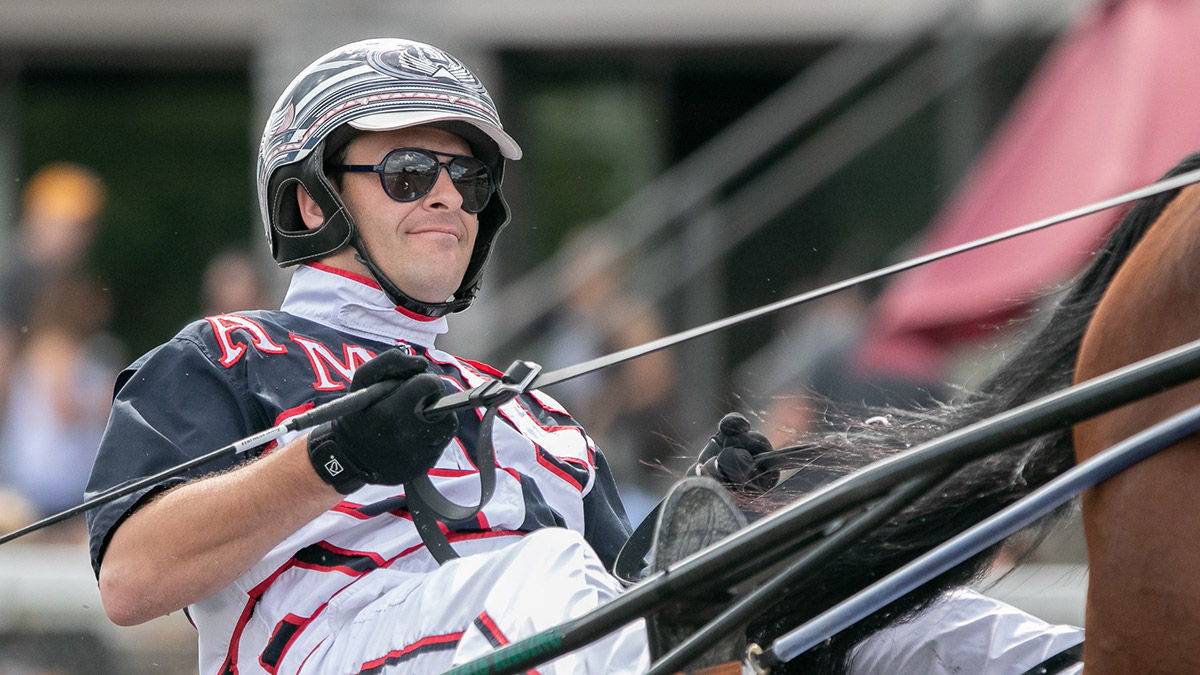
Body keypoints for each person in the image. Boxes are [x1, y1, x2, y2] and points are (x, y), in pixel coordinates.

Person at [84, 38, 743, 675]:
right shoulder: (227, 354)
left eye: (468, 176)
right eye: (409, 173)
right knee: (549, 573)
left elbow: (620, 601)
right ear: (313, 199)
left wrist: (715, 523)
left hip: (535, 634)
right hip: (327, 648)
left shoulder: (542, 418)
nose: (448, 196)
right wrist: (337, 454)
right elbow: (130, 581)